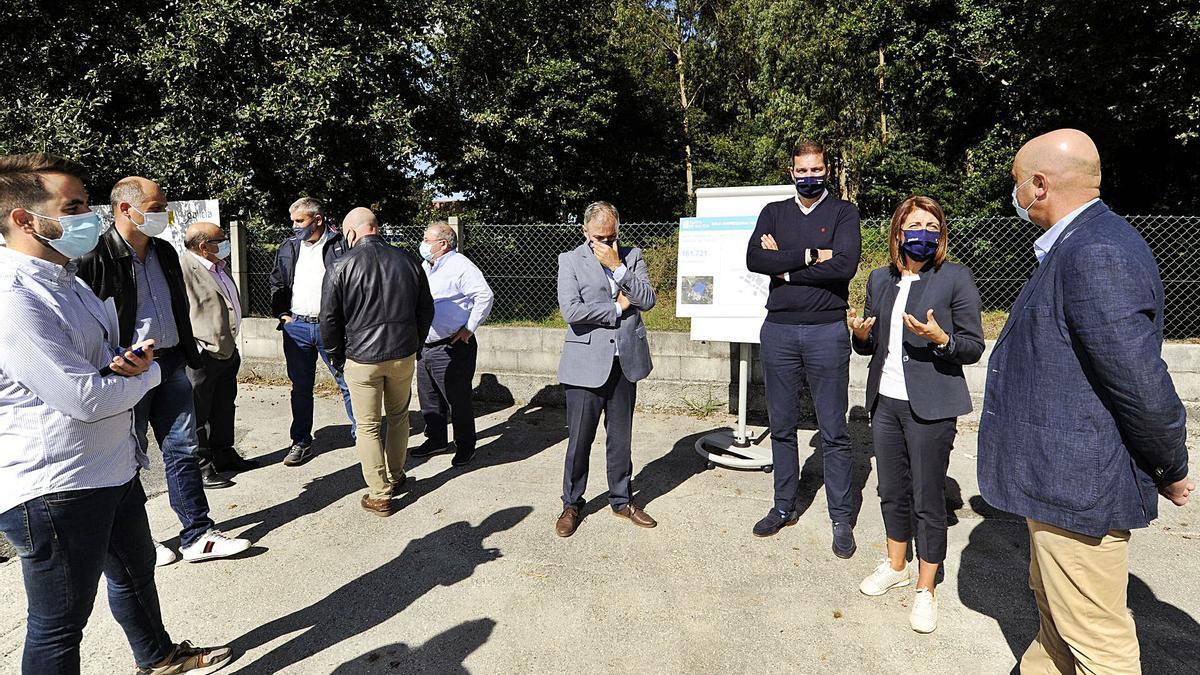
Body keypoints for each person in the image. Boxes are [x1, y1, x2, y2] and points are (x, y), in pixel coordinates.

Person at [0, 152, 231, 674]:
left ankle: (159, 656)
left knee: (134, 572)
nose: (89, 214)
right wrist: (146, 375)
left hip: (110, 468)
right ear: (24, 219)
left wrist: (122, 364)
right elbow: (82, 398)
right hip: (57, 485)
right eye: (74, 204)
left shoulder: (65, 280)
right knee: (59, 626)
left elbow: (96, 363)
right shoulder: (13, 297)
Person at [978, 129, 1194, 672]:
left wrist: (1169, 463)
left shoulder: (1094, 251)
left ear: (1040, 185)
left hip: (1076, 485)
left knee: (1097, 642)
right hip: (1058, 485)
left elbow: (1139, 381)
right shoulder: (1077, 246)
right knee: (1057, 619)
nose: (1016, 197)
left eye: (1016, 186)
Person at [78, 176, 250, 566]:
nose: (163, 215)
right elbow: (84, 320)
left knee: (183, 449)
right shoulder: (96, 256)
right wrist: (109, 363)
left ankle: (198, 535)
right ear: (126, 209)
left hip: (171, 364)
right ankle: (138, 543)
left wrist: (190, 352)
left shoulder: (164, 252)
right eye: (156, 208)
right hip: (126, 372)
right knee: (127, 457)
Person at [848, 195, 984, 634]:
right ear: (898, 231)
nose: (922, 232)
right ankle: (896, 565)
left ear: (940, 234)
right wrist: (861, 335)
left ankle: (926, 587)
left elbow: (972, 345)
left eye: (932, 224)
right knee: (891, 490)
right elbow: (871, 346)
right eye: (915, 223)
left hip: (931, 406)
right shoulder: (879, 279)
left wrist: (942, 338)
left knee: (928, 499)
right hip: (884, 402)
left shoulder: (955, 278)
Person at [745, 140, 862, 557]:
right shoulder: (773, 212)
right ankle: (783, 505)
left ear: (826, 169)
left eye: (816, 170)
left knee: (834, 430)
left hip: (826, 331)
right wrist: (813, 255)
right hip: (777, 331)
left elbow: (846, 265)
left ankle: (841, 517)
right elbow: (754, 259)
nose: (809, 177)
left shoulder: (844, 213)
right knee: (781, 425)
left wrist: (788, 268)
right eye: (802, 170)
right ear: (791, 171)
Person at [554, 201, 658, 537]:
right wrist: (616, 307)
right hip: (585, 364)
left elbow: (648, 299)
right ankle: (572, 503)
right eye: (600, 237)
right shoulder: (569, 261)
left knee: (621, 439)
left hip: (624, 361)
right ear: (585, 232)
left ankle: (622, 499)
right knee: (580, 439)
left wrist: (619, 269)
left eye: (612, 236)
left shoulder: (632, 256)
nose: (607, 243)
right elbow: (571, 310)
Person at [321, 208, 433, 517]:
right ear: (376, 228)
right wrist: (415, 345)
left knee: (369, 426)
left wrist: (336, 355)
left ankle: (380, 494)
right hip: (402, 355)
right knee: (398, 417)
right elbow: (426, 309)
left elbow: (329, 320)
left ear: (352, 234)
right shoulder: (409, 261)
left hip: (361, 358)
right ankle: (396, 477)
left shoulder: (340, 265)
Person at [268, 197, 356, 466]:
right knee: (301, 388)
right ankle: (301, 441)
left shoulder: (340, 245)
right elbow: (277, 281)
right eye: (292, 221)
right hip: (297, 328)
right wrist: (283, 314)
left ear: (317, 220)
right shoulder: (289, 246)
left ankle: (363, 436)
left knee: (348, 383)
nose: (294, 226)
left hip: (332, 328)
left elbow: (353, 283)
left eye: (300, 221)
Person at [409, 220, 495, 467]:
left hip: (452, 346)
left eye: (427, 240)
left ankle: (465, 445)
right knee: (428, 396)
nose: (423, 244)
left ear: (443, 244)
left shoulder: (460, 266)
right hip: (426, 344)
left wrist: (469, 328)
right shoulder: (427, 265)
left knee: (457, 399)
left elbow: (484, 295)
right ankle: (436, 439)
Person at [181, 221, 259, 481]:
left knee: (224, 406)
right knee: (199, 412)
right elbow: (179, 312)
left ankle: (224, 454)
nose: (225, 244)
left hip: (227, 349)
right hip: (203, 354)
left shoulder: (219, 268)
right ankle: (202, 467)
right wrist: (197, 346)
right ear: (204, 246)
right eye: (220, 240)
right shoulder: (184, 269)